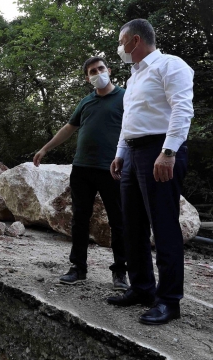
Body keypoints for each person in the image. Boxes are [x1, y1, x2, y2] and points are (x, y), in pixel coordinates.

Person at [107, 19, 193, 326]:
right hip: (132, 153)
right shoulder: (133, 78)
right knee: (133, 225)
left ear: (135, 40)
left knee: (163, 224)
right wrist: (120, 154)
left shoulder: (171, 65)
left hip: (160, 150)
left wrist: (168, 152)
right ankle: (142, 287)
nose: (120, 49)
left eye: (121, 42)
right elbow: (129, 120)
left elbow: (182, 109)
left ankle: (169, 301)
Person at [33, 56, 128, 291]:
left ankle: (120, 273)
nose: (98, 73)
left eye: (101, 68)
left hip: (112, 169)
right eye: (92, 71)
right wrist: (45, 148)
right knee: (79, 220)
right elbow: (69, 128)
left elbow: (137, 126)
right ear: (87, 78)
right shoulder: (86, 102)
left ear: (109, 70)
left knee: (119, 221)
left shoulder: (126, 97)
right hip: (82, 168)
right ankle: (78, 268)